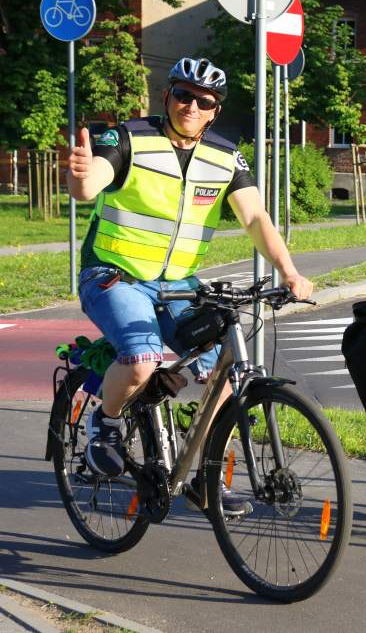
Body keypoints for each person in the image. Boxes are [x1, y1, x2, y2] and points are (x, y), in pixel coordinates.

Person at [67, 57, 313, 494]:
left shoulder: (224, 156)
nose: (192, 106)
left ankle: (206, 472)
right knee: (142, 360)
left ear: (215, 109)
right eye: (184, 95)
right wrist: (82, 179)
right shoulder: (128, 138)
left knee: (227, 369)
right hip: (114, 277)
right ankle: (104, 422)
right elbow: (92, 182)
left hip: (178, 285)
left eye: (205, 101)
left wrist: (289, 271)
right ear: (168, 96)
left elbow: (255, 216)